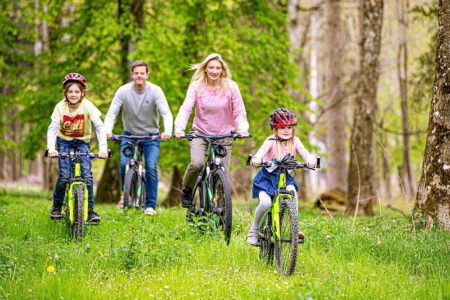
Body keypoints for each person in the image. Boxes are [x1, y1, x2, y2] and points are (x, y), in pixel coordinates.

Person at [174, 53, 249, 208]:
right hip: (200, 132)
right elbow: (186, 108)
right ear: (205, 69)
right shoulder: (196, 86)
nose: (215, 71)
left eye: (218, 68)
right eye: (211, 68)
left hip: (224, 134)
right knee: (197, 163)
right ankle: (188, 189)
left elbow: (239, 111)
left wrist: (242, 130)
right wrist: (179, 128)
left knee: (223, 177)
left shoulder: (231, 87)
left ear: (222, 70)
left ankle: (222, 215)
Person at [104, 60, 173, 215]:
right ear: (132, 75)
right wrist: (107, 130)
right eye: (136, 73)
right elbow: (112, 112)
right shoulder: (123, 91)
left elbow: (166, 113)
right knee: (123, 164)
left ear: (147, 75)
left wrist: (167, 130)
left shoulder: (155, 91)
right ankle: (126, 195)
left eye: (142, 73)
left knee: (151, 167)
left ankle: (150, 206)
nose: (139, 76)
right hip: (129, 135)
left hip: (151, 136)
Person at [246, 108, 316, 246]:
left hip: (285, 177)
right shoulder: (271, 141)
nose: (286, 130)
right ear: (275, 129)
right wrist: (257, 158)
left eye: (289, 127)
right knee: (265, 203)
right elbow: (261, 152)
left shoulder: (295, 141)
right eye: (282, 127)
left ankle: (294, 227)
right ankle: (254, 229)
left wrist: (310, 160)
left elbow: (304, 152)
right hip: (267, 178)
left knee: (293, 192)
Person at [47, 73, 108, 222]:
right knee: (65, 175)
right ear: (65, 93)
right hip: (64, 142)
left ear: (82, 93)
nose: (73, 94)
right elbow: (53, 128)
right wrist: (51, 148)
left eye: (76, 91)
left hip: (82, 142)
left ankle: (90, 210)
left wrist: (103, 148)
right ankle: (57, 205)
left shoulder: (87, 105)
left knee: (87, 175)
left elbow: (99, 127)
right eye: (70, 91)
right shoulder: (60, 107)